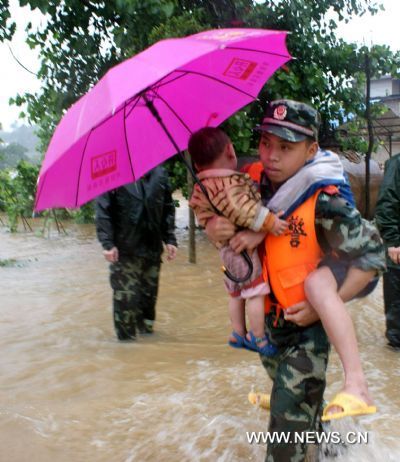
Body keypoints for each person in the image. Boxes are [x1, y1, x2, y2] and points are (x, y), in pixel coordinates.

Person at [206, 100, 385, 461]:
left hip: (306, 339)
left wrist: (320, 310)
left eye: (286, 147)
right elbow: (212, 209)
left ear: (311, 150)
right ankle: (332, 450)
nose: (272, 156)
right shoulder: (250, 189)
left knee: (283, 446)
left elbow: (373, 256)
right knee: (305, 424)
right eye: (266, 143)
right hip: (271, 333)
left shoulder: (324, 202)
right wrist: (213, 225)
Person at [188, 127, 287, 356]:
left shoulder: (200, 188)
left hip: (226, 251)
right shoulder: (228, 183)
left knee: (235, 293)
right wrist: (270, 223)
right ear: (230, 151)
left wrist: (209, 223)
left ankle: (237, 333)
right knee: (254, 291)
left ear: (195, 166)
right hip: (242, 251)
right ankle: (258, 337)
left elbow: (201, 212)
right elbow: (245, 211)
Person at [95, 165, 178, 341]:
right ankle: (126, 346)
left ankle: (147, 339)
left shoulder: (160, 173)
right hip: (125, 251)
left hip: (152, 249)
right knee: (126, 301)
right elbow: (103, 210)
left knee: (149, 300)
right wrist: (108, 243)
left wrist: (170, 239)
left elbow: (167, 207)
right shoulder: (111, 173)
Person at [375, 153, 400, 350]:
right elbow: (386, 203)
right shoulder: (397, 164)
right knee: (397, 300)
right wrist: (392, 242)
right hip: (398, 246)